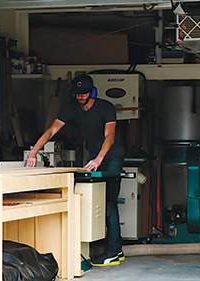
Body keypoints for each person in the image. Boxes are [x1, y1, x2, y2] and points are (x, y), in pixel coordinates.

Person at [26, 74, 125, 267]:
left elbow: (110, 136)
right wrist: (33, 152)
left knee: (109, 204)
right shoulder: (72, 109)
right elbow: (51, 130)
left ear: (92, 92)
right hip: (95, 158)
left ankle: (114, 252)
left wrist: (98, 158)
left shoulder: (106, 108)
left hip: (111, 157)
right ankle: (115, 249)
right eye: (77, 94)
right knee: (96, 201)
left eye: (84, 93)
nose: (80, 97)